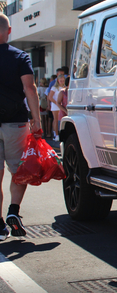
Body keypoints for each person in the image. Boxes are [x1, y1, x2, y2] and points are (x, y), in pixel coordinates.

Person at [0, 14, 41, 241]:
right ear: (9, 30)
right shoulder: (19, 56)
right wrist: (36, 119)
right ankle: (13, 212)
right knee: (19, 171)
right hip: (16, 122)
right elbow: (30, 88)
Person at [48, 74, 66, 142]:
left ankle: (60, 133)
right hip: (55, 105)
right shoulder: (54, 87)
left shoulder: (64, 87)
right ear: (58, 81)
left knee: (61, 120)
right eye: (60, 80)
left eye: (63, 80)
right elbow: (50, 97)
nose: (61, 82)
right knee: (56, 120)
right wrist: (56, 103)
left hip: (61, 105)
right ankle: (56, 134)